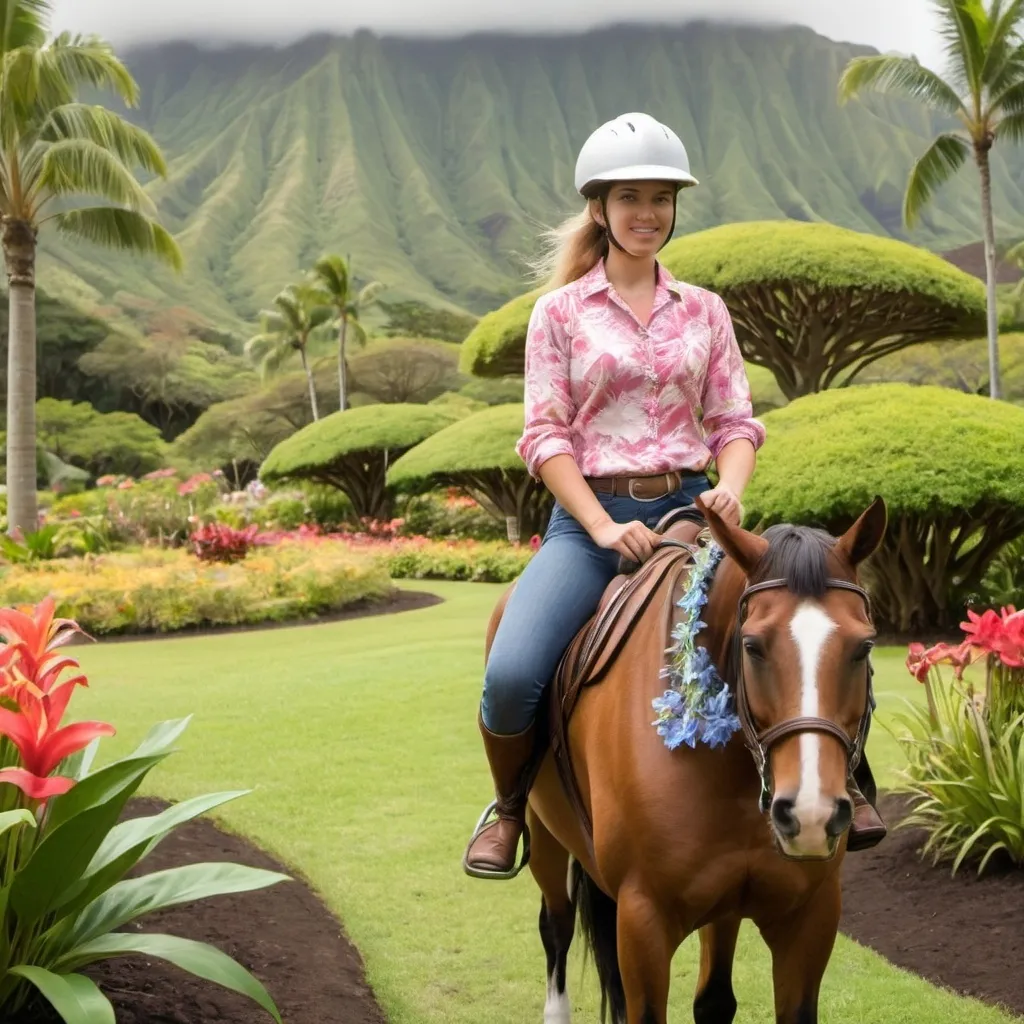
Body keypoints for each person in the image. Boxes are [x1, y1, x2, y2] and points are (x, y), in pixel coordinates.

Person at [463, 112, 884, 880]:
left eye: (661, 197)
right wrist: (597, 526)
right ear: (599, 208)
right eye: (630, 198)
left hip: (695, 513)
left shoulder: (706, 311)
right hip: (588, 521)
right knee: (511, 673)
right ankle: (511, 808)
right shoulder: (557, 315)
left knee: (804, 625)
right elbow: (545, 437)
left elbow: (734, 420)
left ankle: (850, 781)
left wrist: (728, 488)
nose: (647, 213)